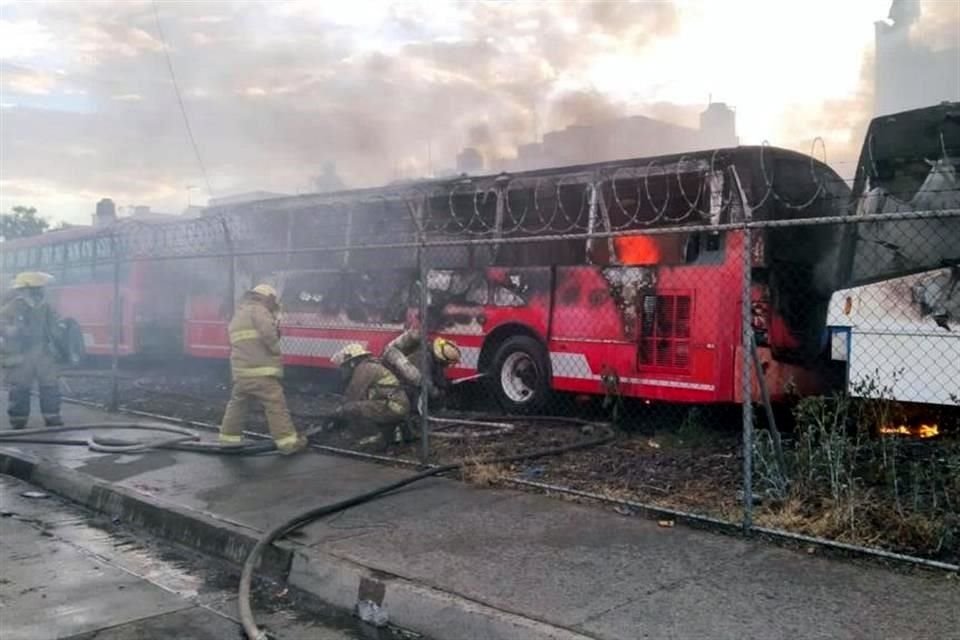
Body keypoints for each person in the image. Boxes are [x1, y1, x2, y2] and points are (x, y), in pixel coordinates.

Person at [218, 284, 305, 454]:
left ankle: (228, 439)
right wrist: (275, 348)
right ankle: (288, 443)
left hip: (241, 372)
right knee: (275, 404)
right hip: (260, 372)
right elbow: (268, 334)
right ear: (268, 298)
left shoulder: (240, 313)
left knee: (237, 403)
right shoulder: (259, 310)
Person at [0, 272, 65, 429]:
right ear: (24, 290)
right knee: (20, 388)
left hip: (43, 352)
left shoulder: (46, 307)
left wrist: (61, 330)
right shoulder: (13, 306)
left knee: (50, 386)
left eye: (40, 288)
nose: (38, 292)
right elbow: (1, 323)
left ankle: (52, 418)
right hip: (21, 354)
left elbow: (56, 324)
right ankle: (18, 420)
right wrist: (10, 330)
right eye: (35, 289)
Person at [330, 343, 410, 448]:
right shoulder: (369, 366)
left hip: (394, 407)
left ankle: (373, 437)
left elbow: (353, 396)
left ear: (352, 363)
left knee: (352, 407)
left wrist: (338, 413)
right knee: (356, 406)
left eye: (344, 366)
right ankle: (379, 433)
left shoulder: (364, 369)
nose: (342, 370)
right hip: (395, 406)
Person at [380, 328, 461, 406]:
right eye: (447, 362)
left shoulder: (430, 354)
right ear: (441, 358)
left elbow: (437, 378)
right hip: (402, 387)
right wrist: (436, 393)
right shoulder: (425, 358)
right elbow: (424, 382)